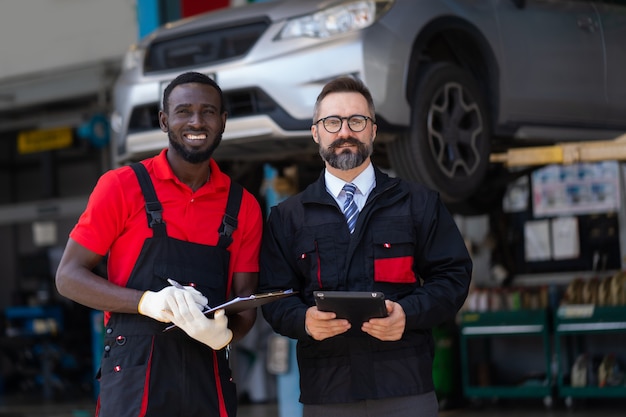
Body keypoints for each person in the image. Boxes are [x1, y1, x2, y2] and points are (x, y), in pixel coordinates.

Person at [258, 76, 472, 417]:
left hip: (405, 389)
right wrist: (305, 321)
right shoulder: (287, 218)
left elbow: (452, 278)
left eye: (357, 121)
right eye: (332, 122)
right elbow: (273, 295)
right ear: (316, 132)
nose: (345, 132)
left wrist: (408, 314)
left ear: (372, 130)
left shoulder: (418, 203)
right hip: (327, 392)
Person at [55, 71, 263, 417]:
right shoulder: (122, 186)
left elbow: (245, 306)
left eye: (209, 112)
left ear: (223, 121)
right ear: (164, 121)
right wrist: (146, 302)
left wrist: (224, 337)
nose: (197, 121)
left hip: (207, 374)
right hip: (133, 373)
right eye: (184, 111)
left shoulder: (243, 207)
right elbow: (68, 277)